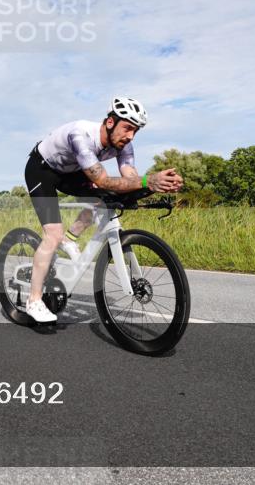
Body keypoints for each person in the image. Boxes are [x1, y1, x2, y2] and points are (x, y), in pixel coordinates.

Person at [23, 97, 184, 323]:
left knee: (105, 198)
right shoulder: (81, 136)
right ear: (110, 122)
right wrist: (149, 181)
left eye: (135, 131)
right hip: (42, 170)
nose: (130, 136)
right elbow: (103, 180)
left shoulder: (124, 145)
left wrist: (155, 186)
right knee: (52, 235)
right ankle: (34, 300)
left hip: (72, 172)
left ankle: (70, 239)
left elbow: (130, 178)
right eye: (127, 128)